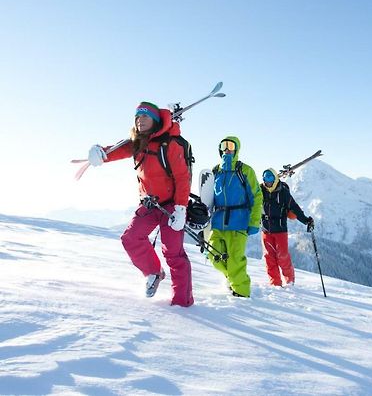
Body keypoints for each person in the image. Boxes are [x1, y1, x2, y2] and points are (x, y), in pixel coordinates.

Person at [87, 101, 194, 307]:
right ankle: (153, 272)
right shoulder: (138, 143)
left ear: (155, 120)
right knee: (131, 239)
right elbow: (113, 151)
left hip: (172, 206)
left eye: (145, 116)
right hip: (149, 204)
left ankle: (182, 303)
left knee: (173, 253)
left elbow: (183, 177)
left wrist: (181, 208)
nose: (140, 120)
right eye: (137, 117)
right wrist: (99, 152)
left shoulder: (171, 144)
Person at [208, 136, 262, 297]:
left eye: (230, 145)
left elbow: (257, 197)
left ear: (236, 148)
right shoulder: (215, 170)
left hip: (239, 222)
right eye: (223, 145)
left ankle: (241, 292)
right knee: (213, 255)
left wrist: (253, 221)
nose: (226, 149)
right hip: (218, 221)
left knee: (235, 260)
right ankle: (231, 278)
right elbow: (208, 197)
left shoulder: (244, 170)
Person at [260, 168, 314, 287]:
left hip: (280, 230)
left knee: (283, 256)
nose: (267, 181)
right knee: (269, 258)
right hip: (265, 230)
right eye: (265, 178)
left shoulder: (283, 192)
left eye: (270, 178)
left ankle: (289, 281)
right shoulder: (260, 190)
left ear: (275, 178)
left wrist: (306, 221)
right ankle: (275, 283)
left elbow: (294, 208)